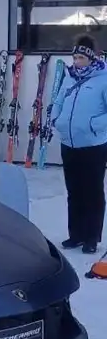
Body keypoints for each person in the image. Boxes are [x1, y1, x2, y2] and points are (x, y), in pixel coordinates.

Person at [50, 34, 107, 254]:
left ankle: (92, 237)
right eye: (75, 57)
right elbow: (58, 100)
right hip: (69, 143)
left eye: (81, 58)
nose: (76, 62)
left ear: (91, 58)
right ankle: (76, 235)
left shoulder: (103, 79)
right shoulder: (69, 77)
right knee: (74, 191)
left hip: (93, 145)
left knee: (92, 192)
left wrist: (95, 125)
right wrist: (57, 119)